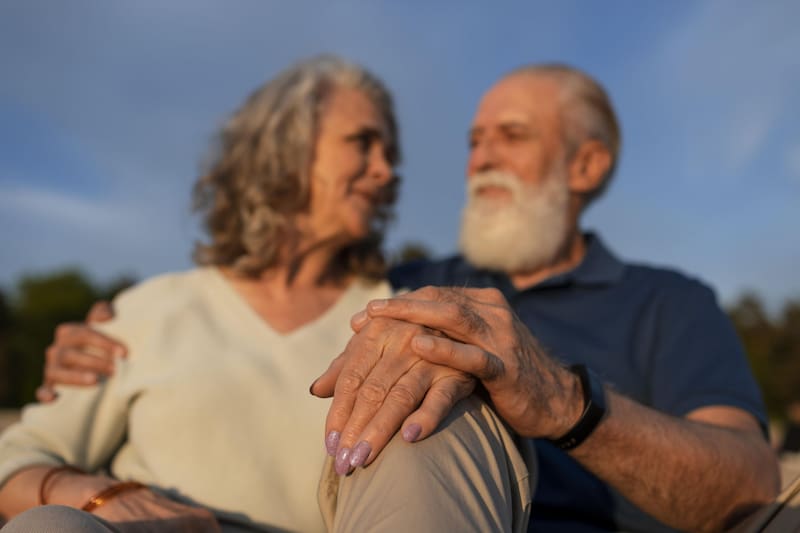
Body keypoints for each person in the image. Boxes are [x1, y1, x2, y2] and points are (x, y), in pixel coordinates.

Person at [35, 63, 780, 531]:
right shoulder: (396, 287)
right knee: (429, 390)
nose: (479, 156)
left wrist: (562, 401)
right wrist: (101, 335)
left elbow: (746, 483)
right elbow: (271, 303)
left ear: (586, 164)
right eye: (473, 137)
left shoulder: (668, 302)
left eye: (510, 136)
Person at [0, 56, 530, 532]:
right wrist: (95, 495)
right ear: (287, 150)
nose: (386, 172)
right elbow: (17, 458)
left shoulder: (402, 321)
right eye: (363, 143)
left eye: (390, 153)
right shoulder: (146, 311)